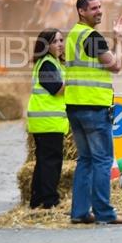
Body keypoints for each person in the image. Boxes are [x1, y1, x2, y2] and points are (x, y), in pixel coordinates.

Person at [66, 0, 122, 225]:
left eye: (100, 7)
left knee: (85, 160)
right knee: (102, 160)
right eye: (94, 8)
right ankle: (104, 213)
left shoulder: (73, 34)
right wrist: (120, 41)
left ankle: (80, 212)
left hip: (74, 105)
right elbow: (115, 66)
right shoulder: (92, 37)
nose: (99, 11)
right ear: (81, 11)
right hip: (93, 106)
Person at [27, 28, 69, 209]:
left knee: (44, 161)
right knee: (51, 162)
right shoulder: (47, 65)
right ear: (46, 45)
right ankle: (50, 201)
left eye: (61, 40)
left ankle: (37, 200)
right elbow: (58, 89)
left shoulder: (52, 63)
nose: (60, 44)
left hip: (47, 121)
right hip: (47, 121)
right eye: (55, 41)